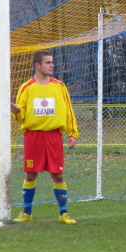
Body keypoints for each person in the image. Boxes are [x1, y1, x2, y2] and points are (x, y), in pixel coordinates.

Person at [10, 50, 79, 225]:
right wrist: (17, 112)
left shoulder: (59, 86)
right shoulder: (26, 87)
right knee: (31, 175)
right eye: (48, 62)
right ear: (37, 66)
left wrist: (72, 133)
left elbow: (69, 111)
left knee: (57, 175)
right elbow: (21, 116)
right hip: (33, 137)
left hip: (54, 137)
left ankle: (64, 213)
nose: (52, 65)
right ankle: (26, 212)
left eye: (52, 62)